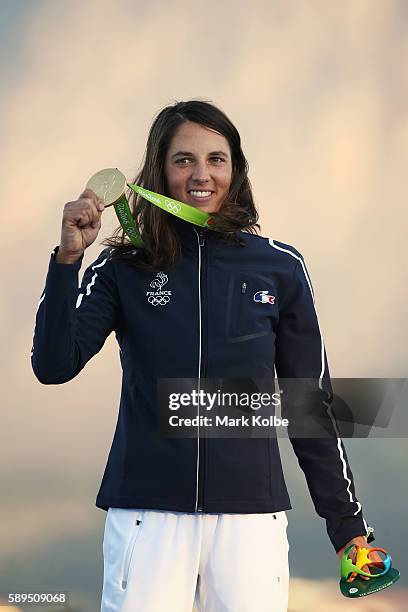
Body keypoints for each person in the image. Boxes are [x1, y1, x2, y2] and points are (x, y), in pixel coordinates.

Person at [31, 100, 380, 612]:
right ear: (158, 170)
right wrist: (67, 260)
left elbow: (310, 405)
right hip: (146, 517)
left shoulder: (279, 267)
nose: (202, 174)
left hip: (251, 523)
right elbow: (53, 365)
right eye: (184, 160)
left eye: (217, 159)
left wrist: (348, 528)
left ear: (235, 170)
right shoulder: (123, 265)